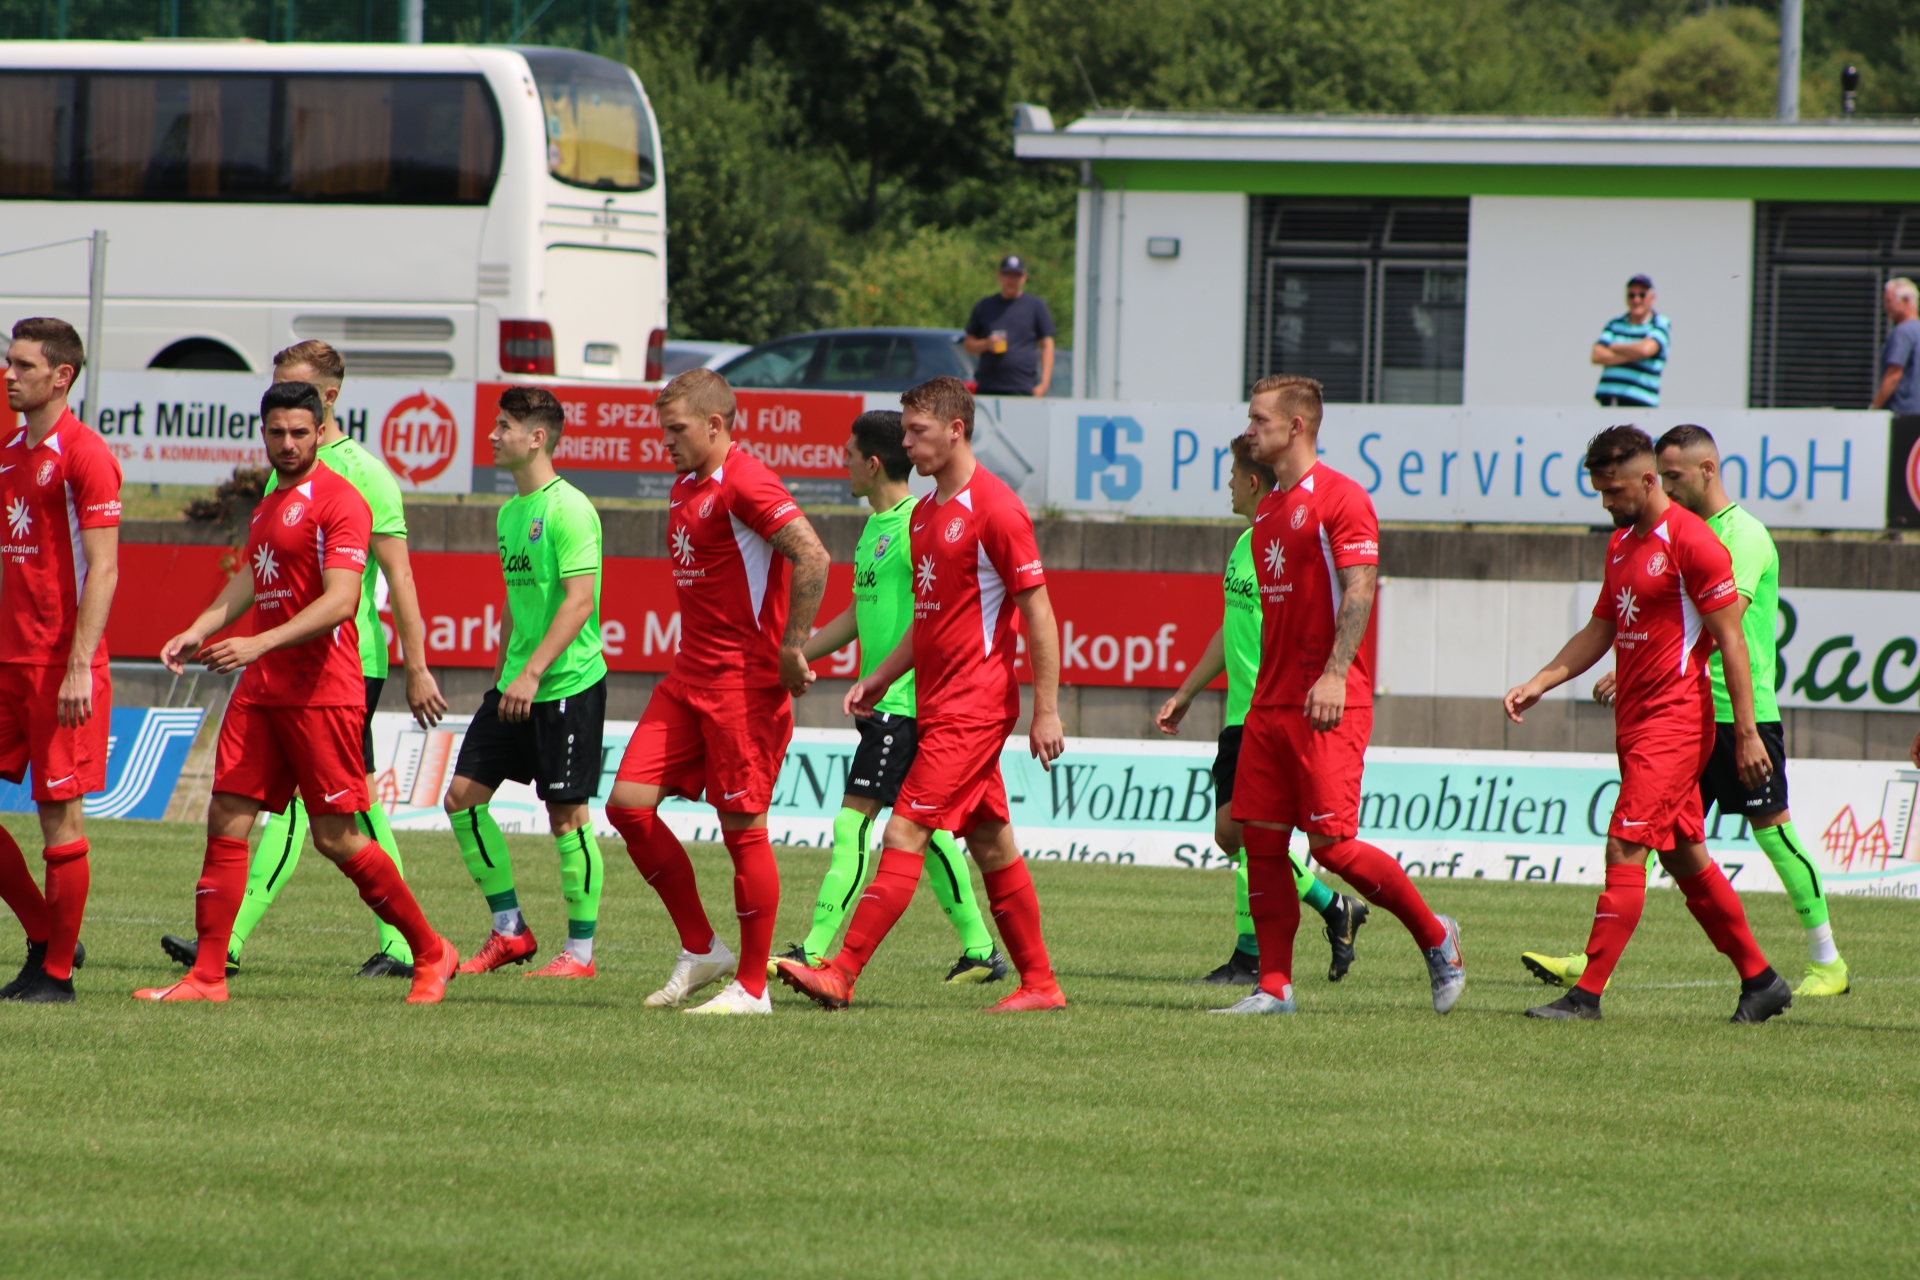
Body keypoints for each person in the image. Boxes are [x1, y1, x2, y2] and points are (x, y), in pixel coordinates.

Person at [135, 381, 457, 1003]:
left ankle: (429, 950)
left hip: (321, 691)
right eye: (277, 432)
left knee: (336, 836)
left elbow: (342, 601)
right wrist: (200, 628)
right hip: (262, 689)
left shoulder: (342, 501)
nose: (287, 443)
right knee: (226, 817)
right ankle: (207, 976)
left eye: (299, 433)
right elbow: (253, 578)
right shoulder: (268, 501)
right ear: (263, 433)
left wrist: (257, 643)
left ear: (320, 431)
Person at [1521, 425, 1850, 999]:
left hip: (1695, 720)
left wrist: (1746, 732)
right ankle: (1760, 980)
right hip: (1648, 721)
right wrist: (1543, 681)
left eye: (1614, 490)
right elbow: (1606, 625)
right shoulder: (1624, 543)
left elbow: (1729, 635)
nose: (1606, 503)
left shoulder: (1712, 540)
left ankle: (1588, 991)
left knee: (1637, 843)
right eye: (1600, 491)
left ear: (1653, 480)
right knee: (1680, 855)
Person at [776, 375, 1068, 1013]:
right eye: (904, 431)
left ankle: (840, 972)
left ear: (955, 431)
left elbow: (1039, 613)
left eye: (917, 431)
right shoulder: (928, 513)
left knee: (904, 832)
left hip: (974, 706)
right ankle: (1041, 985)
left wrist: (1046, 710)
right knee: (990, 842)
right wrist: (882, 674)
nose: (906, 443)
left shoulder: (997, 509)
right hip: (937, 703)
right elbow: (931, 620)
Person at [1212, 375, 1464, 1017]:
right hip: (1267, 705)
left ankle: (1436, 937)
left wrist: (1334, 672)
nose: (1249, 431)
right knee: (1261, 843)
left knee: (1332, 847)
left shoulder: (1342, 497)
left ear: (1296, 426)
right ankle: (1275, 987)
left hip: (1328, 701)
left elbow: (1360, 587)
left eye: (1260, 420)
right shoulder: (1267, 509)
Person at [605, 368, 831, 1015]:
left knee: (743, 832)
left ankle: (753, 988)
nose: (665, 441)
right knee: (627, 806)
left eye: (676, 429)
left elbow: (813, 556)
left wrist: (792, 647)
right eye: (663, 429)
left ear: (714, 424)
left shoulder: (746, 481)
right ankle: (703, 948)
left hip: (742, 686)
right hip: (687, 679)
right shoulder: (684, 485)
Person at [783, 409, 1006, 983]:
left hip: (905, 705)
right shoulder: (874, 529)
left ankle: (814, 950)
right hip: (886, 705)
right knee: (924, 833)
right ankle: (980, 948)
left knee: (853, 824)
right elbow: (858, 615)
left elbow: (942, 617)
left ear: (873, 463)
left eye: (849, 455)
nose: (843, 464)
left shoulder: (915, 526)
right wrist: (797, 653)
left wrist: (896, 681)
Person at [1154, 434, 1369, 986]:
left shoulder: (1285, 541)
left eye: (1232, 475)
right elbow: (1232, 624)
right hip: (1240, 713)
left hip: (1269, 710)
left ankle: (1252, 958)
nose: (1227, 483)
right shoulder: (1245, 543)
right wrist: (1187, 692)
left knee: (1250, 835)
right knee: (1232, 835)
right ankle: (1333, 907)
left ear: (1253, 482)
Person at [441, 387, 610, 980]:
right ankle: (510, 929)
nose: (492, 436)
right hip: (516, 687)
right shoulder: (510, 512)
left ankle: (580, 954)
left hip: (566, 685)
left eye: (504, 426)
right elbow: (517, 604)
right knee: (462, 799)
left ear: (537, 438)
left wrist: (534, 672)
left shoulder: (570, 509)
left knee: (567, 817)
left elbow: (580, 601)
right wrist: (503, 675)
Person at [0, 318, 119, 1004]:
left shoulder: (86, 454)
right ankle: (48, 935)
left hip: (59, 669)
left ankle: (56, 975)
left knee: (59, 819)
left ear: (61, 376)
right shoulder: (9, 453)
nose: (10, 375)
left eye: (23, 365)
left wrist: (79, 666)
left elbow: (103, 568)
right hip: (7, 663)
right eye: (9, 362)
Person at [964, 254, 1056, 397]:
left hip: (1023, 387)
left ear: (1024, 277)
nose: (1011, 281)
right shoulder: (985, 305)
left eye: (1016, 276)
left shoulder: (1035, 305)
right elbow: (968, 344)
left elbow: (1047, 345)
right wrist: (987, 344)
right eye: (1007, 275)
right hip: (988, 387)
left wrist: (1044, 384)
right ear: (999, 276)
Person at [1591, 274, 1671, 408]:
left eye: (1642, 295)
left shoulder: (1659, 323)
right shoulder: (1614, 324)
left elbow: (1645, 350)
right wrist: (1634, 354)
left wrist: (1614, 347)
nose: (1636, 300)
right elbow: (1597, 355)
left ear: (1652, 298)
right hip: (1609, 401)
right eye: (1631, 295)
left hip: (1640, 405)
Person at [1870, 277, 1920, 413]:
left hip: (1905, 414)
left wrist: (1874, 408)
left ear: (1905, 300)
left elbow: (1894, 374)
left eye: (1889, 301)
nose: (1885, 306)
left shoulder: (1903, 332)